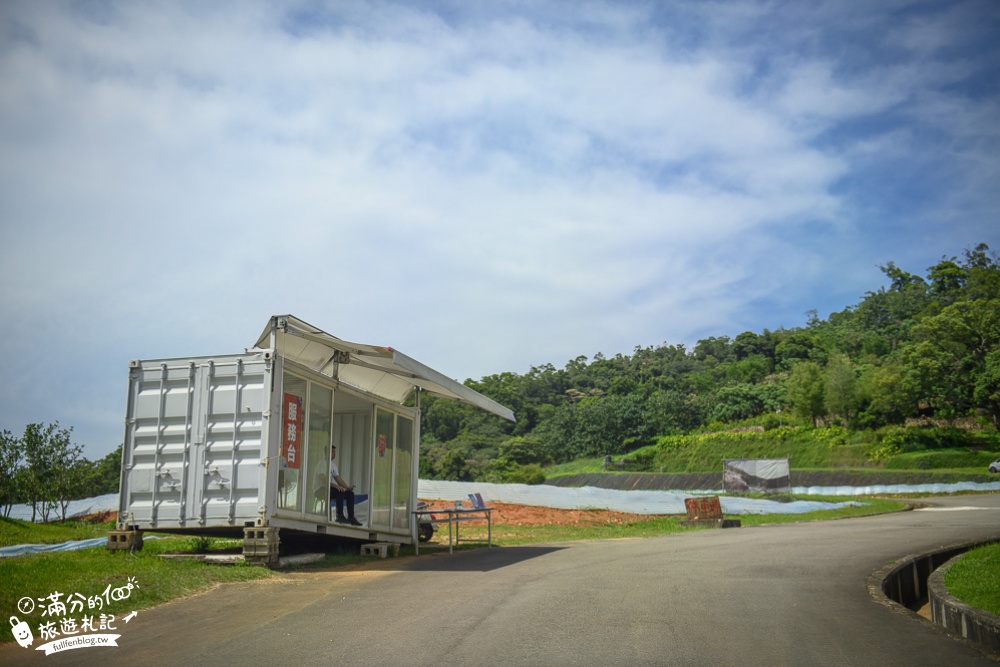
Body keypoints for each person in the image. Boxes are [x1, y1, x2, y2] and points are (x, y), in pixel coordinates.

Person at [329, 445, 362, 526]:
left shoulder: (333, 466)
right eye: (333, 452)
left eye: (334, 452)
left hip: (331, 488)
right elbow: (323, 480)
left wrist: (347, 487)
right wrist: (336, 486)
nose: (334, 454)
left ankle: (351, 517)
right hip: (324, 489)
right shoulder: (322, 463)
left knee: (350, 494)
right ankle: (339, 516)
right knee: (339, 491)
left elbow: (338, 480)